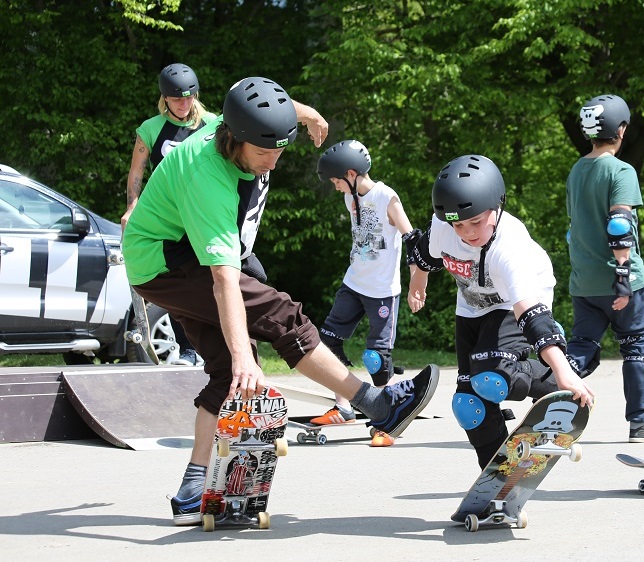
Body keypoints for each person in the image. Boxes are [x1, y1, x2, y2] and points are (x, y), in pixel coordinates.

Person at [122, 76, 439, 525]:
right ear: (234, 139)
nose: (272, 161)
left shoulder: (229, 122)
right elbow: (223, 280)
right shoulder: (207, 175)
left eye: (280, 150)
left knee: (228, 375)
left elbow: (274, 104)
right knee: (279, 317)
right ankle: (379, 405)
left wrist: (306, 115)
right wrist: (244, 356)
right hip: (166, 260)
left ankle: (193, 489)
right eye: (263, 152)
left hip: (177, 255)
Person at [405, 154, 595, 470]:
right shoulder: (444, 228)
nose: (467, 233)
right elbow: (423, 252)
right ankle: (498, 475)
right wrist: (417, 281)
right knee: (468, 404)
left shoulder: (510, 248)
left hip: (514, 303)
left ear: (497, 206)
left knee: (492, 379)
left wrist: (563, 369)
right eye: (459, 225)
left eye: (476, 222)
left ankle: (551, 381)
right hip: (471, 308)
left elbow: (530, 314)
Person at [565, 94, 644, 443]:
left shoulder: (577, 170)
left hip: (584, 283)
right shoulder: (621, 170)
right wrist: (624, 276)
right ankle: (641, 424)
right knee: (637, 346)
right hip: (619, 282)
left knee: (581, 347)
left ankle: (550, 407)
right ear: (621, 130)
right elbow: (619, 224)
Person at [309, 139, 416, 447]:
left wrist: (416, 286)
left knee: (375, 357)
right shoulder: (351, 198)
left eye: (335, 181)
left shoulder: (387, 197)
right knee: (327, 343)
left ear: (351, 174)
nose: (334, 187)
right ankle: (343, 408)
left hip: (382, 291)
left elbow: (412, 240)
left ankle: (389, 418)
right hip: (353, 283)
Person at [121, 63, 211, 367]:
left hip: (202, 214)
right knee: (176, 281)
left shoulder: (212, 124)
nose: (184, 104)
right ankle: (188, 350)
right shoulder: (150, 129)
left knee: (216, 276)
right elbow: (136, 173)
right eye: (177, 99)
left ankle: (220, 344)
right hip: (167, 219)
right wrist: (133, 207)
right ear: (165, 99)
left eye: (189, 98)